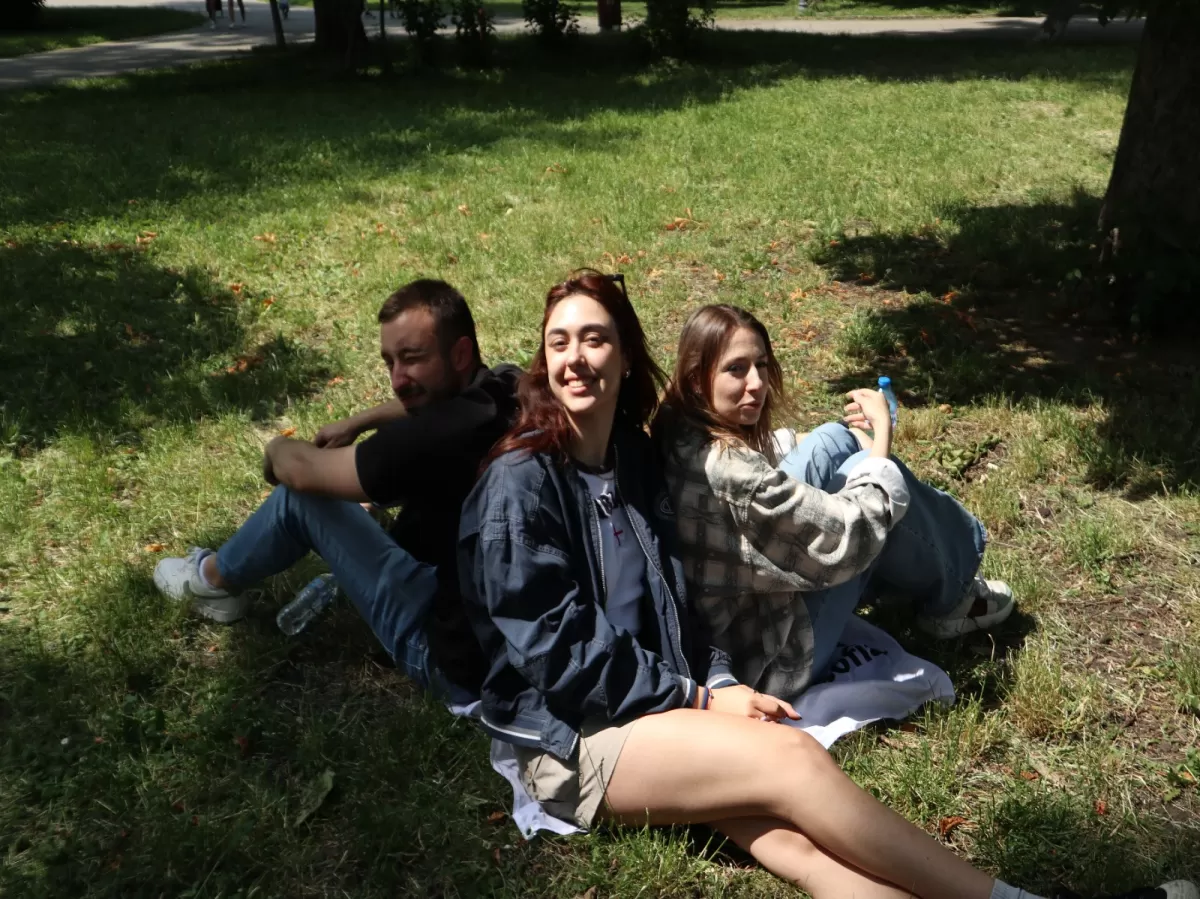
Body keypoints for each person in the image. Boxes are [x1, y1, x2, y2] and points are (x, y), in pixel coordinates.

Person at [457, 272, 1192, 899]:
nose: (576, 358)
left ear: (624, 356)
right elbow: (560, 657)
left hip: (652, 701)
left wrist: (715, 676)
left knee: (801, 850)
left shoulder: (633, 459)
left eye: (595, 339)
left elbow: (682, 601)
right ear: (543, 359)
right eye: (560, 342)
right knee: (792, 759)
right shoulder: (520, 486)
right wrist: (701, 697)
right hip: (575, 736)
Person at [154, 279, 520, 703]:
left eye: (412, 358)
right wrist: (358, 422)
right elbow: (427, 406)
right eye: (390, 362)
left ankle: (210, 582)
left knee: (300, 501)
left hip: (448, 658)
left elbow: (300, 472)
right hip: (503, 644)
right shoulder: (506, 389)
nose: (397, 380)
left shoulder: (429, 439)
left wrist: (276, 449)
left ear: (459, 354)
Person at [652, 303, 1015, 699]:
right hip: (769, 659)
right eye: (736, 369)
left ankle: (934, 576)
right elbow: (850, 536)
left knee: (833, 439)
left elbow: (769, 464)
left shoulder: (678, 426)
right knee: (870, 477)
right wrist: (881, 436)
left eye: (761, 365)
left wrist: (852, 442)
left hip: (741, 615)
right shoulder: (734, 476)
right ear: (697, 378)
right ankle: (954, 597)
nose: (756, 383)